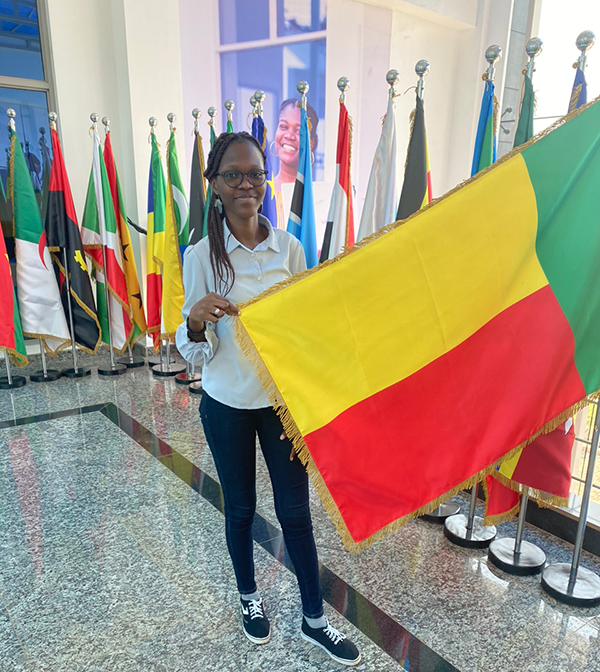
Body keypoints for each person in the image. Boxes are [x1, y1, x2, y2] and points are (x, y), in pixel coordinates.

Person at [176, 131, 361, 667]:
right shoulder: (199, 257)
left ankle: (314, 620)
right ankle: (250, 600)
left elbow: (303, 333)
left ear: (266, 180)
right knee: (240, 510)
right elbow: (193, 354)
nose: (246, 184)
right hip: (226, 404)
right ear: (214, 186)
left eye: (255, 173)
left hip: (280, 407)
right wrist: (194, 321)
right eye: (232, 175)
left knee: (296, 513)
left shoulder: (291, 249)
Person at [272, 98, 319, 192]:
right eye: (284, 127)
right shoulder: (260, 193)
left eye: (298, 131)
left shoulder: (317, 197)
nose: (289, 136)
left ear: (311, 143)